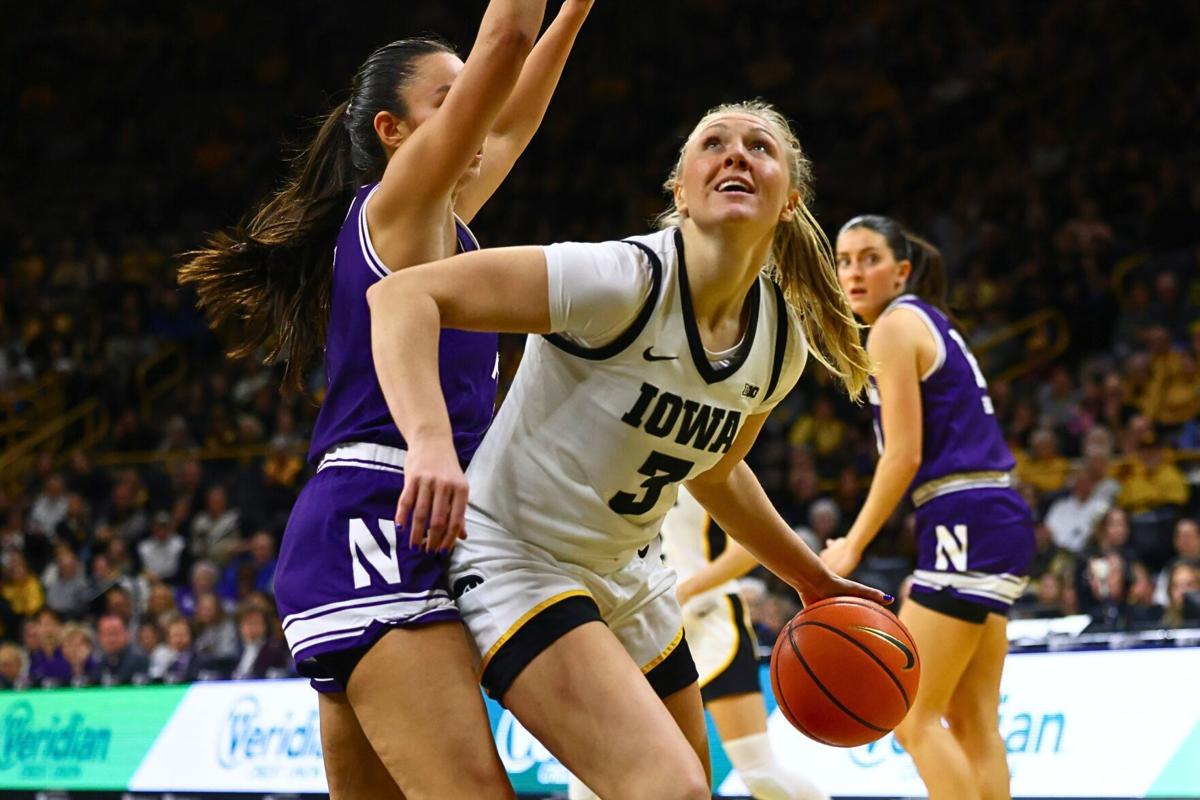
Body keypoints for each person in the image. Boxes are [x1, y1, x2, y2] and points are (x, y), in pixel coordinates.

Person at [367, 100, 891, 800]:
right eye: (714, 143)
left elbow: (718, 472)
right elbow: (402, 298)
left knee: (685, 791)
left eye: (760, 147)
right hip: (519, 557)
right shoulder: (619, 280)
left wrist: (812, 581)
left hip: (632, 575)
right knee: (667, 787)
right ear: (680, 189)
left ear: (790, 198)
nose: (736, 154)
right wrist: (430, 442)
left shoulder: (779, 345)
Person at [177, 2, 592, 797]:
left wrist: (573, 12)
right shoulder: (394, 212)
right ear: (394, 135)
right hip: (373, 512)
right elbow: (505, 40)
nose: (481, 105)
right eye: (454, 97)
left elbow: (513, 123)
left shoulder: (449, 227)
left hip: (428, 518)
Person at [823, 215, 1035, 800]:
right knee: (972, 723)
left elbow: (904, 456)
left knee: (909, 716)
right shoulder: (926, 320)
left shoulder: (893, 327)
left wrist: (852, 543)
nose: (854, 272)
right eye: (844, 260)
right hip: (996, 515)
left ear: (902, 270)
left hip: (963, 515)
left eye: (869, 258)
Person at [567, 486, 829, 800]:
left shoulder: (706, 449)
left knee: (760, 772)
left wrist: (687, 590)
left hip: (711, 620)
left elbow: (747, 550)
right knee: (594, 769)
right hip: (638, 618)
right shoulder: (609, 460)